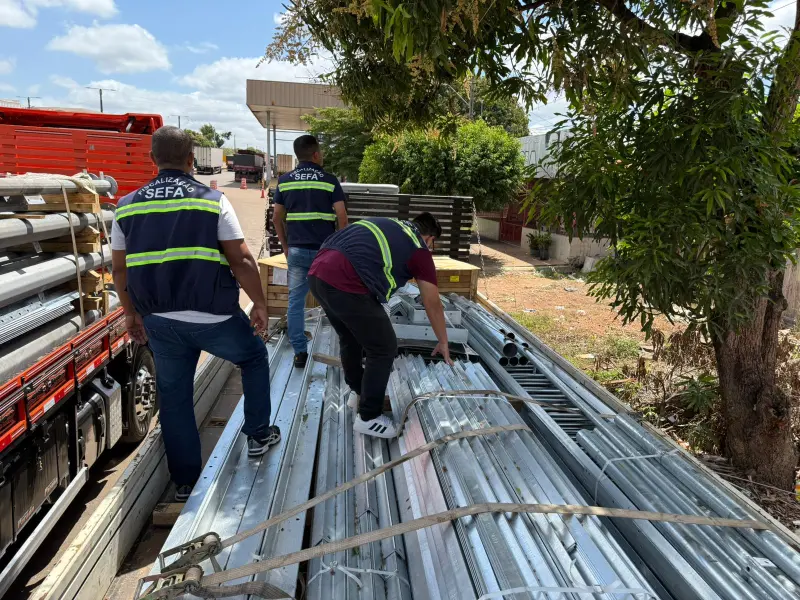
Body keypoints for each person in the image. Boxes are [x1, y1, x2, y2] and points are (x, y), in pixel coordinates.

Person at [111, 126, 280, 503]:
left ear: (153, 160)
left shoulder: (127, 205)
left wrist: (130, 315)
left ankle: (186, 481)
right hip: (213, 317)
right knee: (253, 357)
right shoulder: (212, 200)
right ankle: (257, 436)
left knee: (174, 397)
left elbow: (119, 271)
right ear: (192, 160)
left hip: (161, 322)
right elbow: (241, 259)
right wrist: (261, 306)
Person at [308, 214, 452, 438]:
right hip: (346, 281)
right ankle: (369, 416)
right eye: (432, 244)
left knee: (351, 338)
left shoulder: (387, 224)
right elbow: (432, 301)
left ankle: (359, 393)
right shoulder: (418, 248)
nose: (430, 248)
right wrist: (443, 341)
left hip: (318, 273)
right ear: (430, 238)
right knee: (384, 347)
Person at [272, 135, 348, 369]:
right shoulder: (329, 180)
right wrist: (340, 248)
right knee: (333, 299)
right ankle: (344, 347)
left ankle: (299, 353)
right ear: (315, 154)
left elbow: (277, 218)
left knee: (295, 302)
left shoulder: (285, 181)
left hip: (296, 251)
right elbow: (342, 217)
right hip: (325, 254)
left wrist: (285, 246)